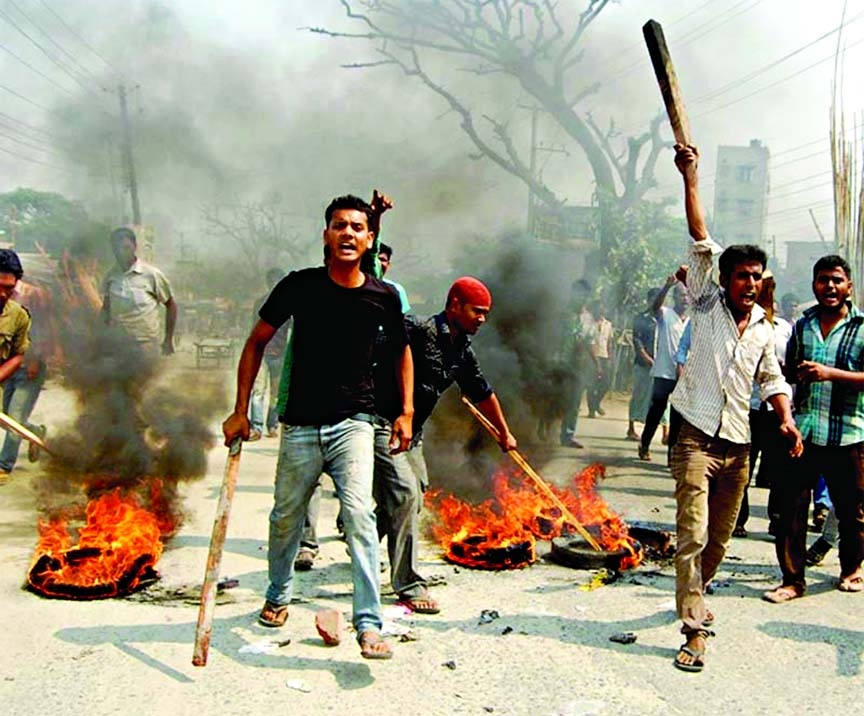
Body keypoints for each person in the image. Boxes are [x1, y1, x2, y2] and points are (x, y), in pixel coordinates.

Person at [222, 194, 414, 660]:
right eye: (338, 225)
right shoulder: (299, 287)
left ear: (370, 240)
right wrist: (240, 409)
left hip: (356, 423)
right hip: (302, 424)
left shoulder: (383, 297)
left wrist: (405, 411)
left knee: (359, 516)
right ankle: (279, 591)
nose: (348, 233)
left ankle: (368, 623)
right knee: (286, 515)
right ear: (325, 235)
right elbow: (255, 342)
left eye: (357, 227)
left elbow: (401, 354)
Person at [667, 144, 801, 673]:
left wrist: (786, 418)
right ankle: (693, 628)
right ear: (725, 278)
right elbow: (700, 236)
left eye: (756, 276)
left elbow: (770, 378)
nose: (750, 284)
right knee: (691, 534)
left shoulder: (768, 329)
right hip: (695, 436)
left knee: (718, 540)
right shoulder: (704, 301)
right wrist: (691, 178)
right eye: (741, 275)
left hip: (739, 444)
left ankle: (698, 593)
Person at [373, 276, 517, 614]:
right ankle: (407, 583)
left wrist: (503, 432)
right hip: (385, 427)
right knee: (405, 495)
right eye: (476, 311)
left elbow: (482, 392)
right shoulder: (416, 330)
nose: (482, 319)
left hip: (414, 435)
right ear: (454, 305)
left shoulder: (462, 350)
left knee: (414, 493)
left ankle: (361, 535)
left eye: (486, 314)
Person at [765, 254, 864, 602]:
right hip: (803, 432)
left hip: (848, 433)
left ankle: (851, 569)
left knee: (851, 509)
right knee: (792, 509)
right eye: (823, 280)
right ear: (814, 286)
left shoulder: (861, 327)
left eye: (837, 280)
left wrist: (830, 373)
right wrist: (789, 372)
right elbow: (791, 371)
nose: (830, 287)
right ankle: (792, 580)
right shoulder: (803, 326)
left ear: (848, 286)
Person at [733, 270, 792, 538]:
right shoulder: (741, 323)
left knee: (778, 470)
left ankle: (777, 518)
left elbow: (792, 366)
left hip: (774, 409)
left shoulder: (784, 329)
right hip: (747, 407)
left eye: (769, 285)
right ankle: (738, 518)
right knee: (741, 466)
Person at [0, 275, 57, 477]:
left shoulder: (32, 295)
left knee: (14, 415)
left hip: (29, 367)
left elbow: (42, 330)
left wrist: (35, 358)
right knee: (7, 417)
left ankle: (4, 465)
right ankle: (35, 433)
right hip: (10, 368)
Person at [101, 227, 177, 356]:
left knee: (145, 376)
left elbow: (171, 306)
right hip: (119, 344)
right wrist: (102, 336)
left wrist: (168, 339)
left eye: (126, 248)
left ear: (135, 247)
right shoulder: (110, 276)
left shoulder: (151, 274)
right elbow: (106, 308)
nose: (121, 253)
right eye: (116, 249)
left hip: (146, 344)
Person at [638, 275, 688, 461]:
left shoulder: (692, 321)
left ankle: (671, 456)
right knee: (656, 412)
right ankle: (644, 444)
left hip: (683, 376)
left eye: (687, 295)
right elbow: (655, 307)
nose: (685, 298)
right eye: (681, 295)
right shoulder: (665, 314)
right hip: (664, 373)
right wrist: (667, 286)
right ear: (674, 297)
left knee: (677, 417)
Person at [0, 249, 31, 485]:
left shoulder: (19, 316)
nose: (2, 294)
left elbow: (19, 354)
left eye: (9, 288)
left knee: (12, 416)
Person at [249, 268, 289, 441]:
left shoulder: (289, 303)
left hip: (277, 353)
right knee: (261, 392)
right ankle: (260, 427)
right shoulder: (261, 303)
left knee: (272, 394)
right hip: (265, 353)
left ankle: (268, 426)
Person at [558, 279, 596, 449]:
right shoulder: (562, 315)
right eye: (578, 293)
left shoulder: (588, 319)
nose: (581, 298)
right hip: (558, 362)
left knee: (573, 401)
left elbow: (590, 342)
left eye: (585, 295)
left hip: (578, 365)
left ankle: (567, 435)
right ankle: (542, 427)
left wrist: (597, 364)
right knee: (553, 397)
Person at [627, 288, 660, 440]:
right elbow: (637, 341)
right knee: (638, 395)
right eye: (653, 299)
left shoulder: (665, 319)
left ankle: (665, 433)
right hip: (643, 365)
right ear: (648, 300)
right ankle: (631, 428)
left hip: (661, 367)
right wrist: (647, 358)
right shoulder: (641, 318)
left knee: (661, 399)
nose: (655, 302)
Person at [587, 302, 613, 419]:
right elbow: (590, 343)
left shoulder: (608, 324)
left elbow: (609, 342)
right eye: (599, 309)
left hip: (604, 356)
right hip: (591, 356)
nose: (601, 311)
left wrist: (610, 357)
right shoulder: (589, 324)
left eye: (603, 309)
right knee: (591, 384)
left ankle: (596, 403)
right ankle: (591, 410)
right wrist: (596, 363)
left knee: (606, 383)